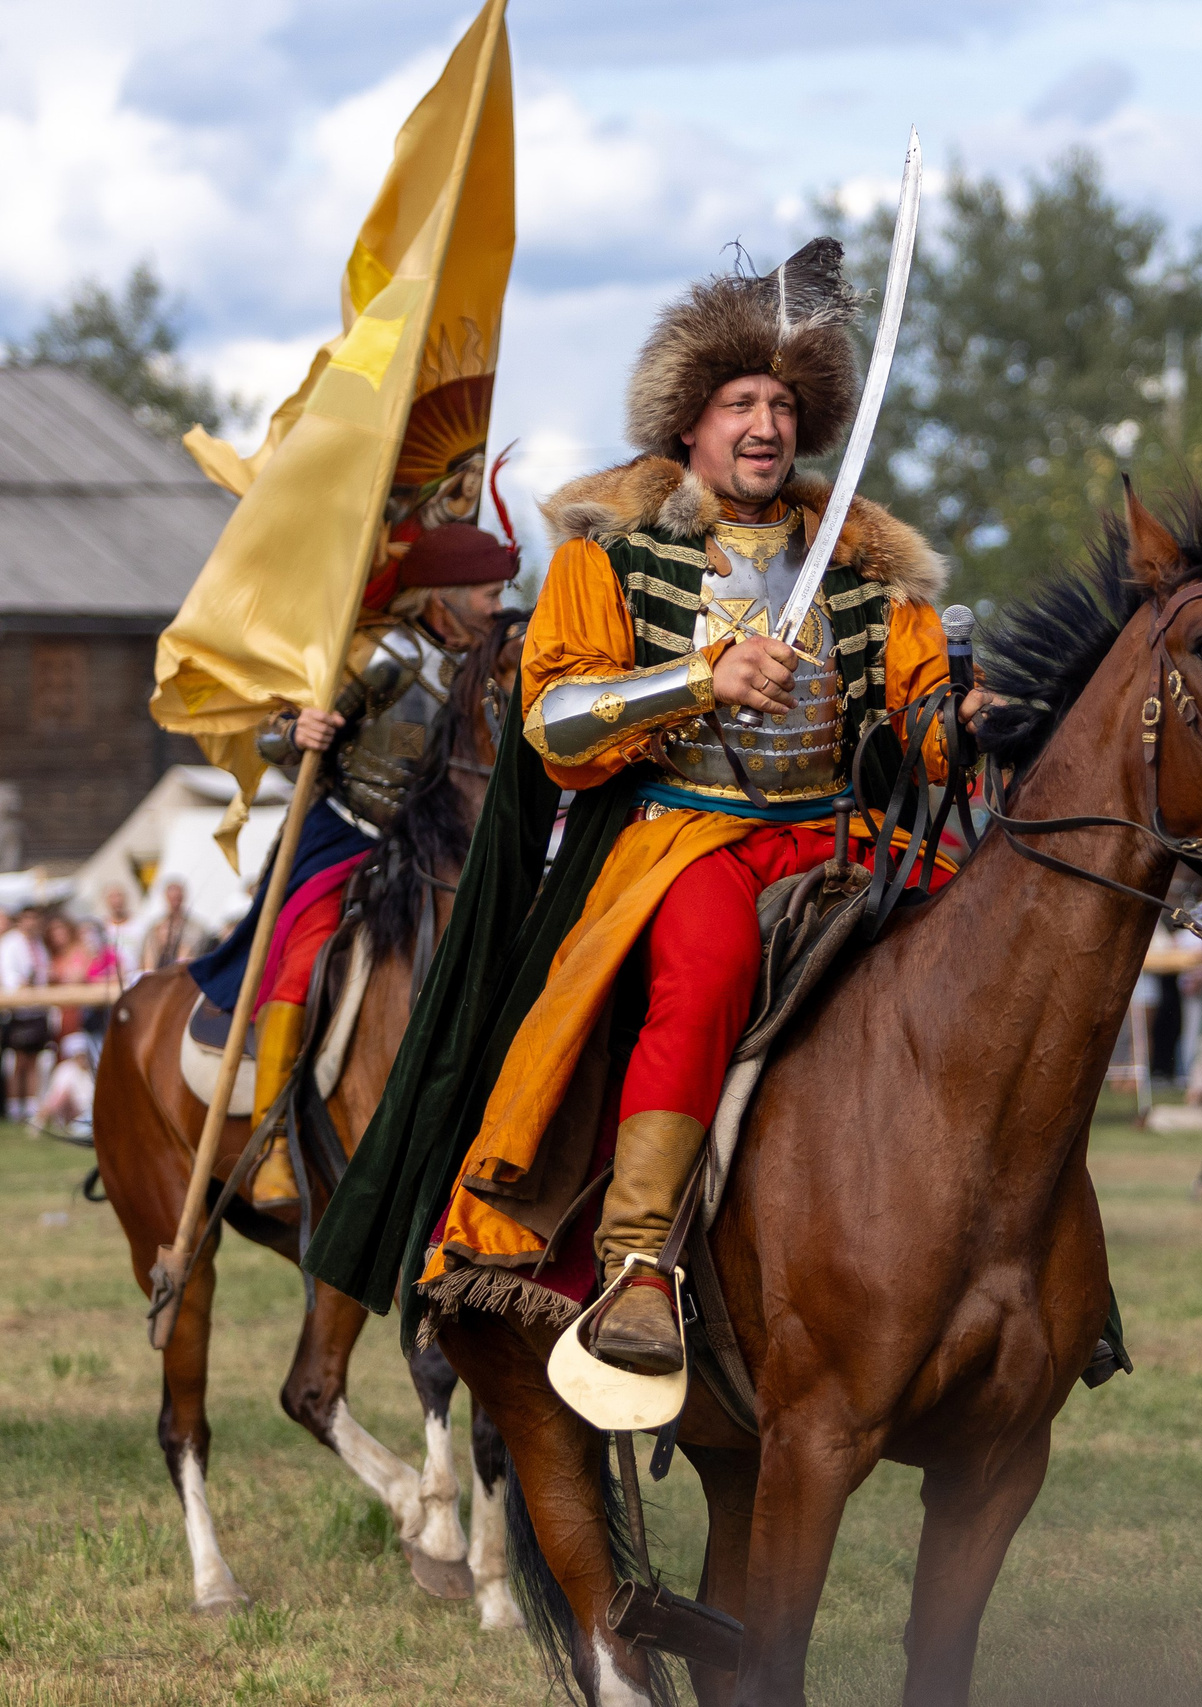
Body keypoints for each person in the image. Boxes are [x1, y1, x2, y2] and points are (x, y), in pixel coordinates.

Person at [321, 239, 971, 1378]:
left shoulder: (860, 562)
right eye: (738, 403)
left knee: (990, 947)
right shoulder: (611, 550)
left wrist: (961, 717)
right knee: (707, 968)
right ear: (690, 423)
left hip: (840, 834)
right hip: (690, 836)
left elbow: (913, 709)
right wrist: (698, 679)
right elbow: (558, 722)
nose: (762, 423)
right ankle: (635, 1265)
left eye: (780, 403)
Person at [193, 419, 523, 1221]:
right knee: (303, 962)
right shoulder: (382, 656)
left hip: (441, 844)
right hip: (345, 834)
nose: (499, 602)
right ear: (444, 596)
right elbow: (282, 734)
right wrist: (293, 731)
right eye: (487, 590)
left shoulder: (493, 669)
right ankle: (271, 1141)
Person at [0, 908, 50, 1123]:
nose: (32, 922)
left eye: (35, 918)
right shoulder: (10, 943)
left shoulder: (39, 945)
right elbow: (8, 978)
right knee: (18, 1061)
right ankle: (15, 1107)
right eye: (28, 918)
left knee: (34, 1059)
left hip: (37, 1009)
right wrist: (25, 984)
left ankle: (31, 1106)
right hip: (17, 1010)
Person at [37, 1029, 98, 1136]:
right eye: (80, 1056)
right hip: (69, 1110)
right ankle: (40, 1121)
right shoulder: (66, 1069)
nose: (83, 1060)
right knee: (62, 1094)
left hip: (88, 1112)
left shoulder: (93, 1070)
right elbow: (57, 1093)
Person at [140, 878, 205, 972]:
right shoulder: (155, 927)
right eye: (172, 898)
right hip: (160, 974)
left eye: (177, 898)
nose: (175, 902)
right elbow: (146, 960)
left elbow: (198, 953)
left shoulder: (196, 928)